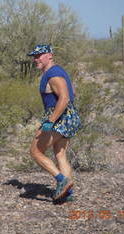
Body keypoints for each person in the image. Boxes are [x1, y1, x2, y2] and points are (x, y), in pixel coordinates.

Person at [27, 44, 81, 203]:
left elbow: (64, 98)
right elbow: (73, 92)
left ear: (50, 55)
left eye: (39, 56)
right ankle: (68, 194)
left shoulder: (53, 74)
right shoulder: (58, 71)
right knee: (60, 154)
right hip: (68, 116)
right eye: (34, 56)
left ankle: (61, 181)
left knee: (35, 152)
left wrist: (50, 121)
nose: (36, 59)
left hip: (58, 118)